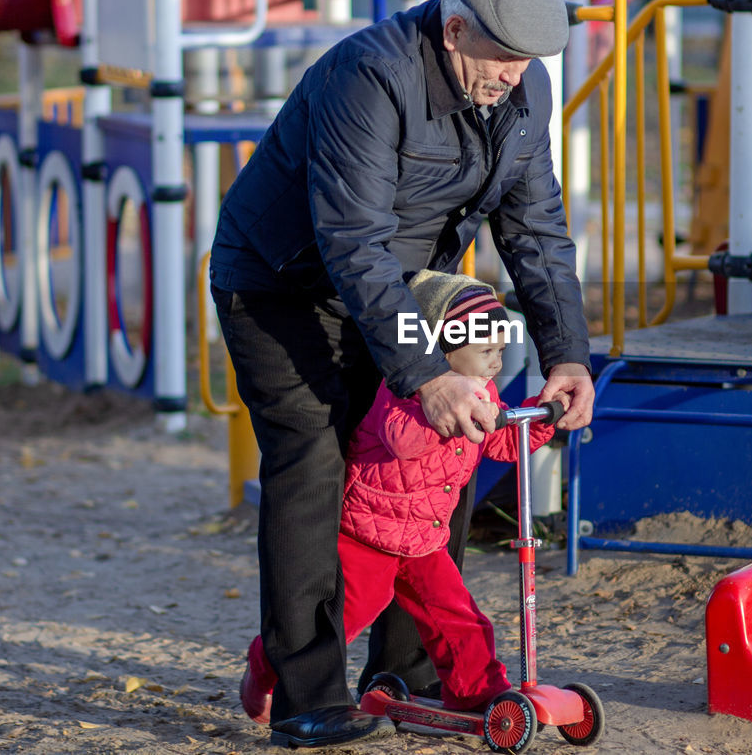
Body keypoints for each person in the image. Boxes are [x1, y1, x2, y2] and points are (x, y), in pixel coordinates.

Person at [210, 0, 595, 748]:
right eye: (501, 59)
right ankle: (306, 690)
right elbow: (352, 239)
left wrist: (566, 352)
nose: (514, 77)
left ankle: (406, 671)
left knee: (436, 457)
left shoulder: (524, 85)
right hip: (282, 285)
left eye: (528, 62)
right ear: (453, 31)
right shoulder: (370, 75)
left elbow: (535, 226)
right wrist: (424, 373)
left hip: (403, 292)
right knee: (314, 465)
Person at [239, 272, 561, 727]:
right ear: (442, 350)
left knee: (460, 619)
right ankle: (266, 664)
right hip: (369, 533)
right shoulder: (405, 390)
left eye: (500, 352)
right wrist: (456, 408)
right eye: (485, 351)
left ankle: (479, 695)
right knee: (342, 620)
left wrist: (539, 422)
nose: (495, 363)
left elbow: (499, 444)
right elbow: (403, 440)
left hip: (425, 539)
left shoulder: (483, 392)